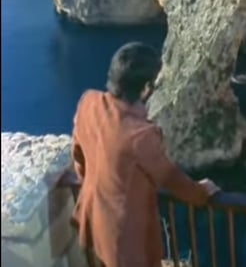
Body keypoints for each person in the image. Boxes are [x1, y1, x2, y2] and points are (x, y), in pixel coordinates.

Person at [70, 42, 220, 267]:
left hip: (93, 220)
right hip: (124, 241)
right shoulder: (141, 134)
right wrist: (201, 192)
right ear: (146, 88)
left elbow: (78, 156)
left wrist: (88, 180)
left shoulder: (88, 102)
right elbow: (170, 178)